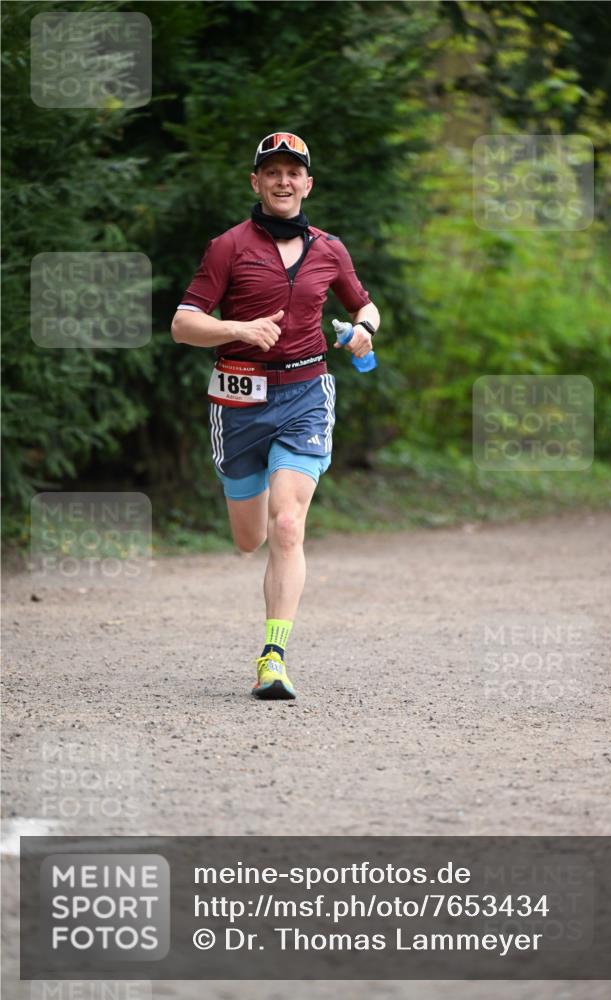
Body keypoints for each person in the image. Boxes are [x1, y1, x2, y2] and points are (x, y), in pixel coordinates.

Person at [171, 131, 380, 701]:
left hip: (306, 393)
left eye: (293, 173)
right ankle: (256, 485)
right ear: (256, 182)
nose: (283, 181)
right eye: (272, 172)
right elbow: (183, 324)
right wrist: (237, 328)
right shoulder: (228, 247)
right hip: (239, 401)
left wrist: (364, 330)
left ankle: (273, 658)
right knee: (249, 539)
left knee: (287, 524)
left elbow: (364, 305)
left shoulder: (329, 249)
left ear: (307, 184)